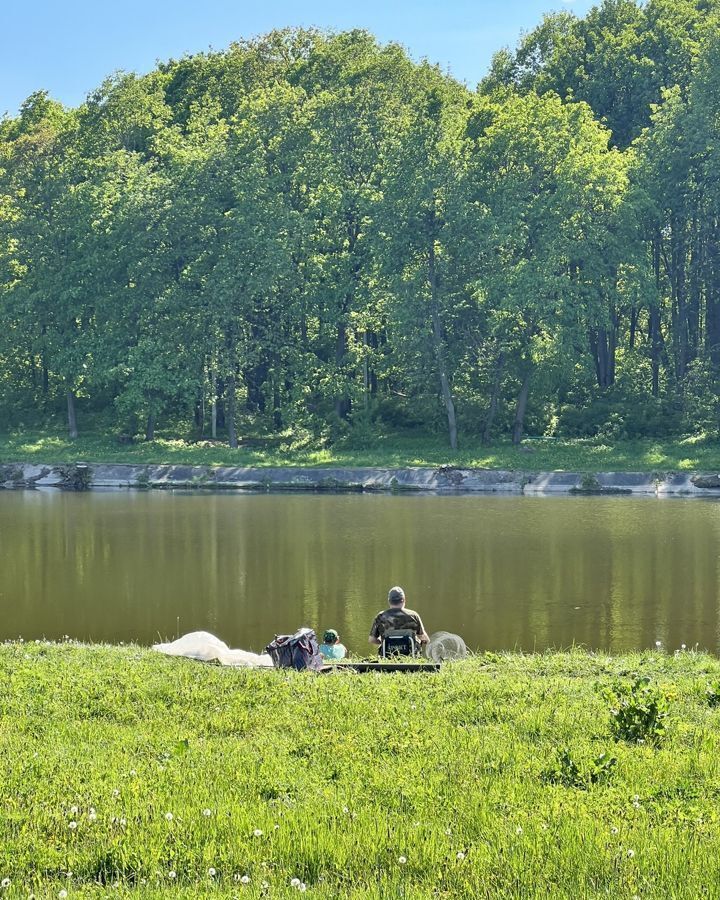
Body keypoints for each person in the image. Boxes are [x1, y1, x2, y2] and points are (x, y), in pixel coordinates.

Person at [368, 586, 429, 652]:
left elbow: (371, 640)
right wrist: (423, 640)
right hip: (410, 655)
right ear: (404, 600)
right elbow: (424, 638)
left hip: (388, 654)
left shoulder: (380, 616)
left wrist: (383, 641)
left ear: (389, 601)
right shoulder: (414, 615)